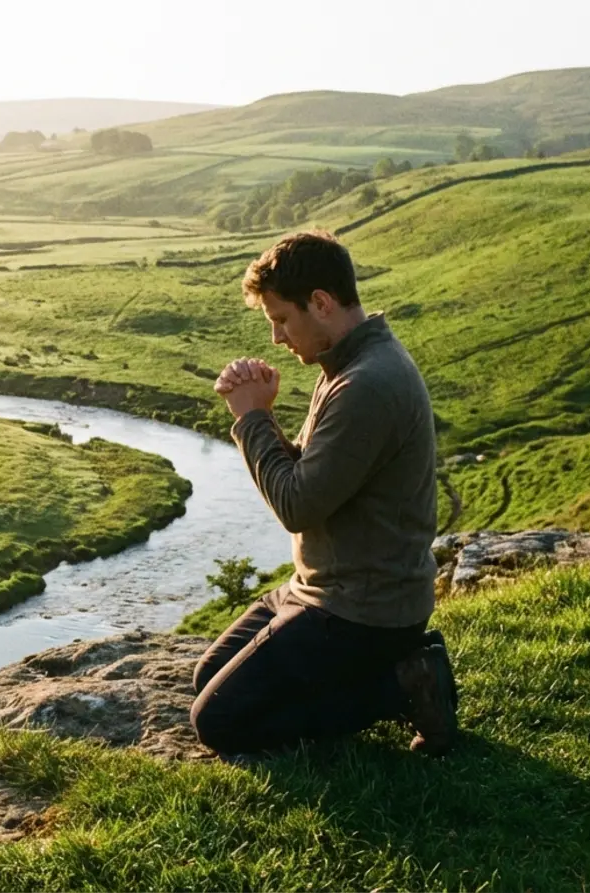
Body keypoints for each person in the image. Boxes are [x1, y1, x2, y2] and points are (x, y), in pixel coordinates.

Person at [190, 230, 458, 756]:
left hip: (363, 611)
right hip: (322, 589)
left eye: (282, 319)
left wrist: (251, 418)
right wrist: (261, 415)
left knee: (218, 723)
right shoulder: (347, 365)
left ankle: (401, 684)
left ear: (321, 302)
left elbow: (297, 505)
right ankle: (389, 676)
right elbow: (320, 479)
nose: (276, 339)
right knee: (207, 678)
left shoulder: (367, 385)